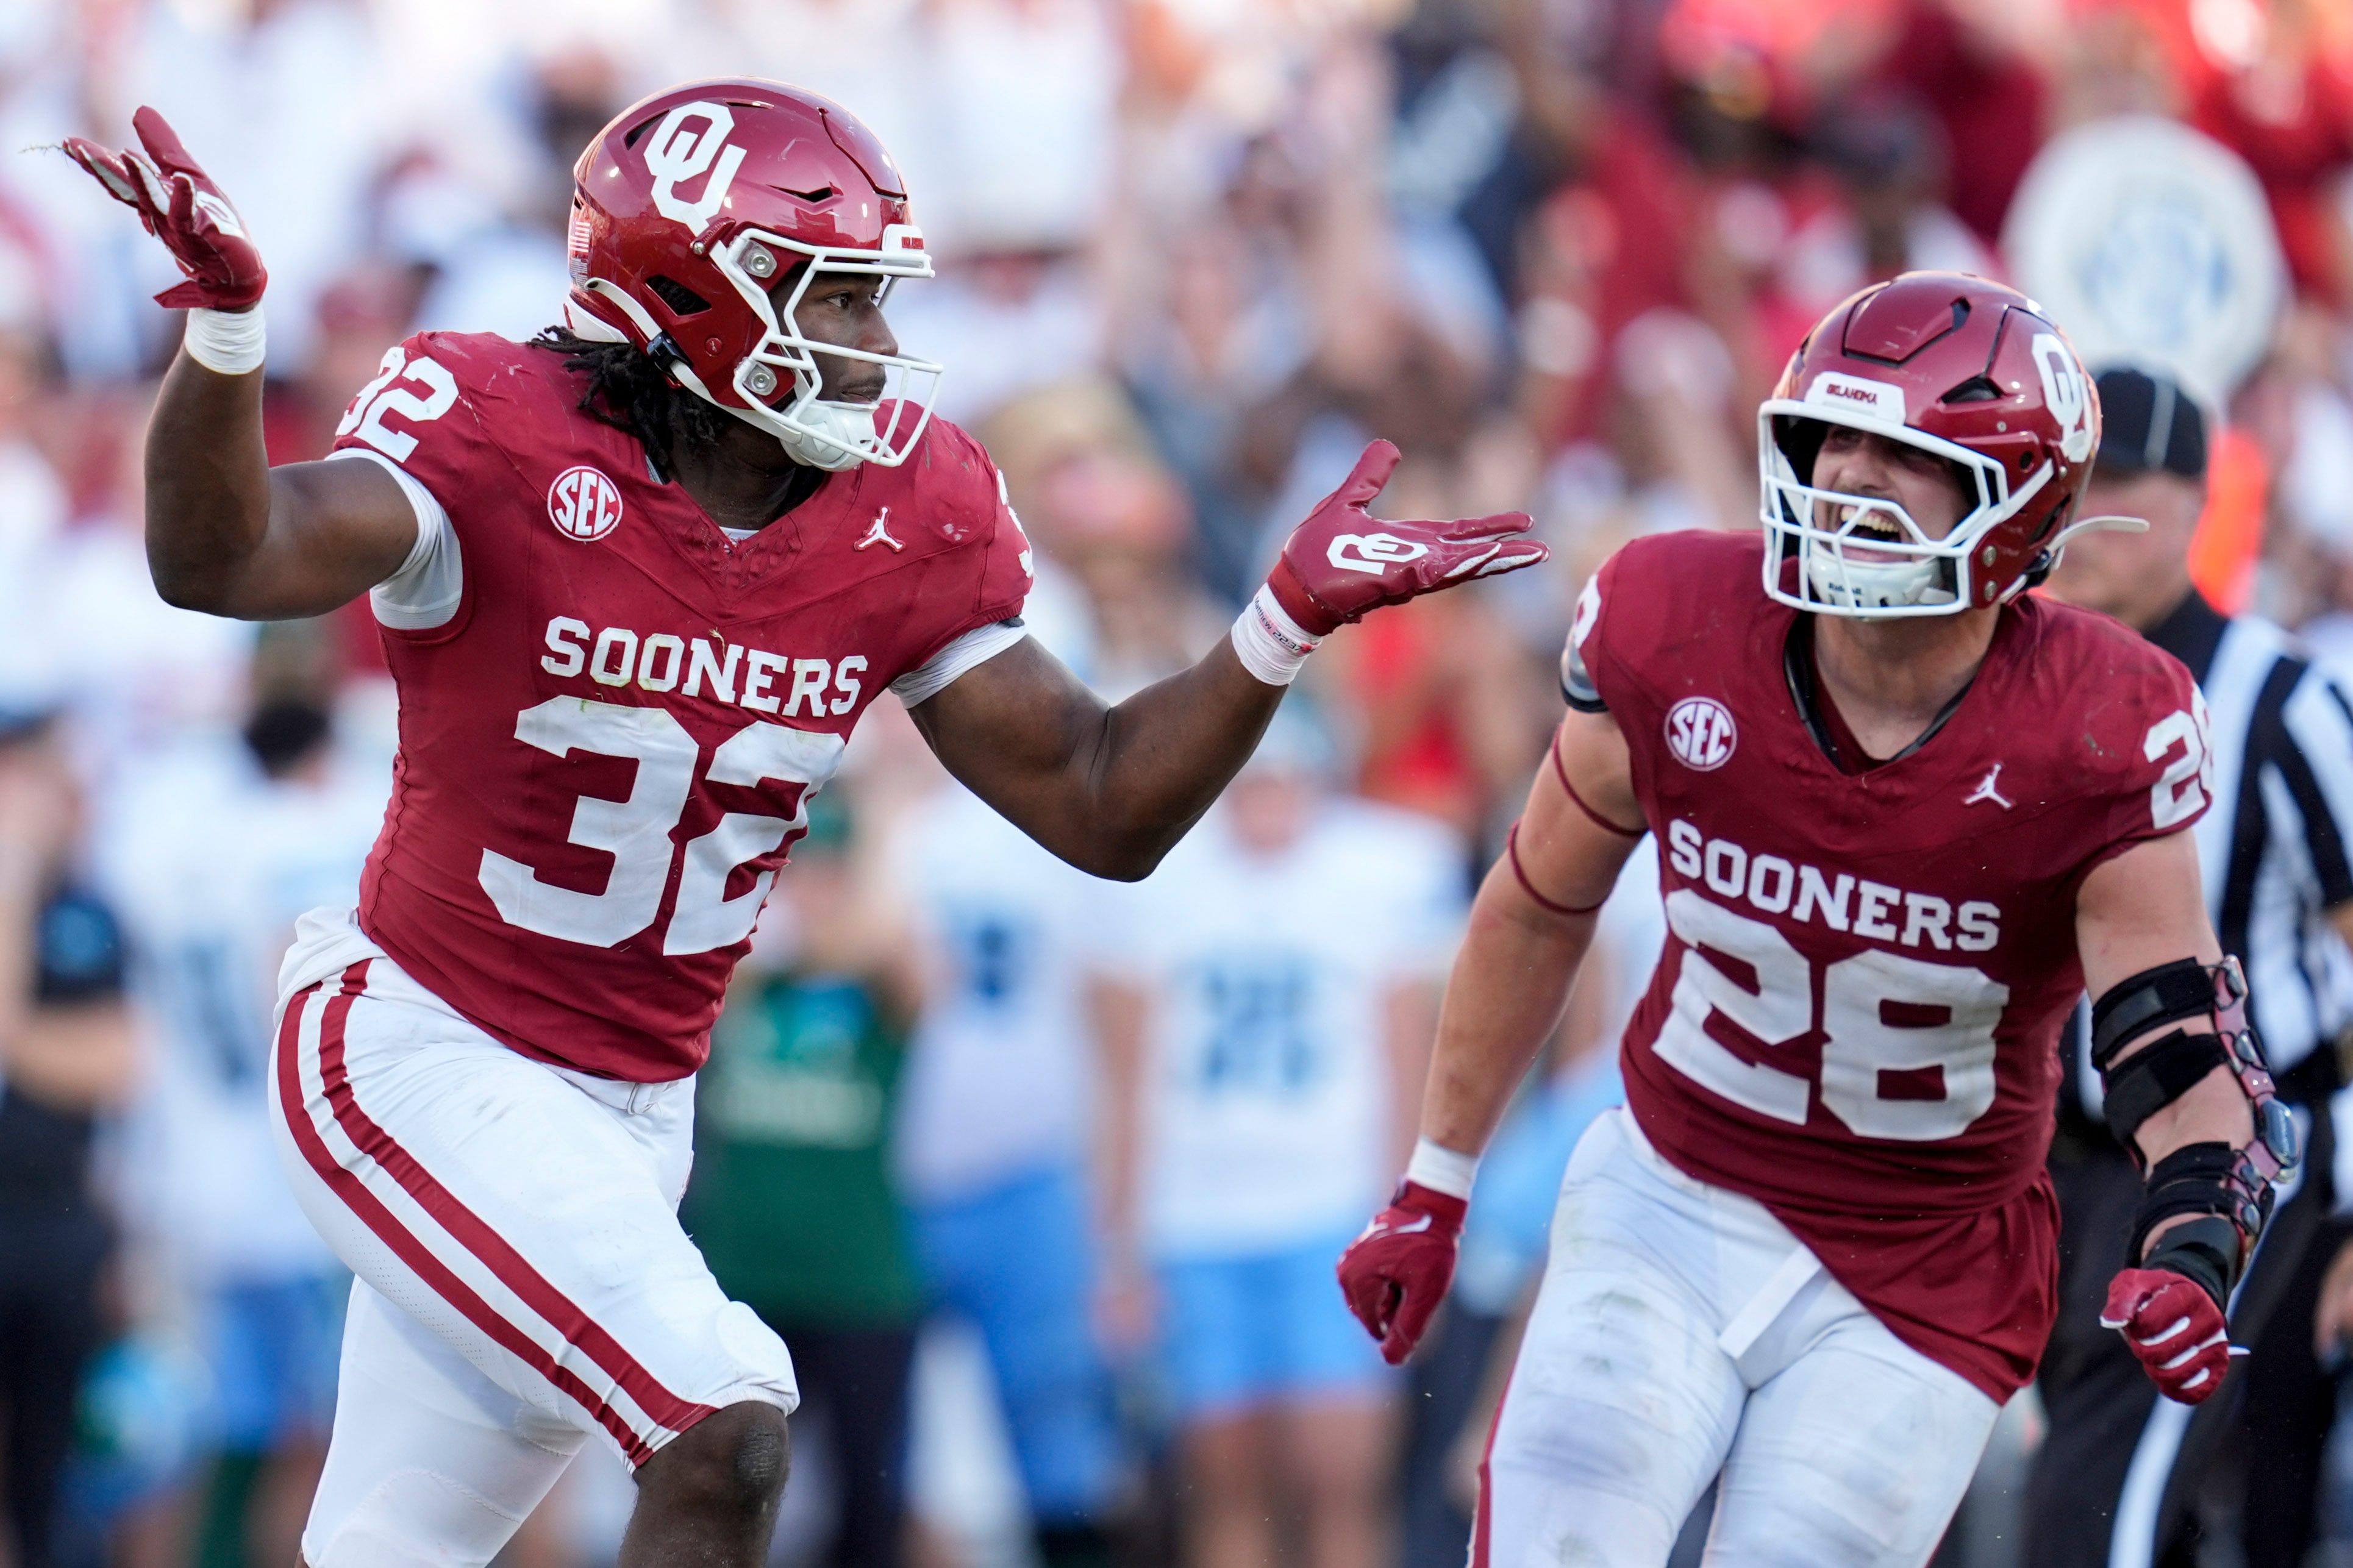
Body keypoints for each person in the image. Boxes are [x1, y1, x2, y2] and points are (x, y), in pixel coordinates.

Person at [60, 84, 1542, 1568]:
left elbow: (1101, 804)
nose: (879, 350)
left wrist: (1274, 627)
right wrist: (228, 336)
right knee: (726, 1420)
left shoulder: (902, 502)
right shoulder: (499, 425)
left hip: (634, 1107)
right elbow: (226, 554)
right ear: (697, 295)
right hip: (419, 1046)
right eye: (839, 300)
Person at [1334, 271, 2301, 1566]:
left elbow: (2175, 1049)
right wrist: (1435, 1178)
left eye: (1898, 451)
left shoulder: (2095, 720)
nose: (1846, 477)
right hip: (1671, 1191)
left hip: (1925, 1267)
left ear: (2019, 498)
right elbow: (1537, 901)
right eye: (1826, 439)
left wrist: (2191, 1240)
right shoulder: (1679, 620)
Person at [2036, 366, 2353, 1568]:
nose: (2086, 515)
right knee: (2131, 1508)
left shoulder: (2283, 698)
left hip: (2241, 1157)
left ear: (2193, 499)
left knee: (2090, 1514)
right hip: (2061, 1157)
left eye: (2118, 484)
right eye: (2070, 485)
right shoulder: (2022, 679)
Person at [1091, 706, 1466, 1568]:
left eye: (1283, 783)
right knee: (1227, 1493)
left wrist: (1411, 1223)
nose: (1267, 805)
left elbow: (1410, 1067)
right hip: (1195, 1215)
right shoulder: (1165, 884)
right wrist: (1116, 1245)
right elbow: (1124, 1080)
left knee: (1341, 1479)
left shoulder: (1376, 872)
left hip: (1328, 1213)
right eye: (1250, 785)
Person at [890, 779, 1128, 1568]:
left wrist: (1114, 1215)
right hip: (884, 1179)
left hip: (1026, 1167)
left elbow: (1114, 1024)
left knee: (1057, 1437)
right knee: (889, 1447)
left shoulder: (1041, 829)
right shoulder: (870, 817)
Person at [684, 793, 924, 1568]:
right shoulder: (738, 984)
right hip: (746, 1281)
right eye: (798, 879)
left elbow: (909, 960)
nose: (813, 897)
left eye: (830, 878)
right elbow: (707, 964)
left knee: (868, 1501)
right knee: (722, 1494)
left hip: (860, 1282)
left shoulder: (878, 986)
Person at [0, 699, 140, 1568]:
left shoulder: (89, 910)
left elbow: (121, 1060)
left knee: (53, 1465)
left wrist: (17, 1038)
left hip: (58, 1222)